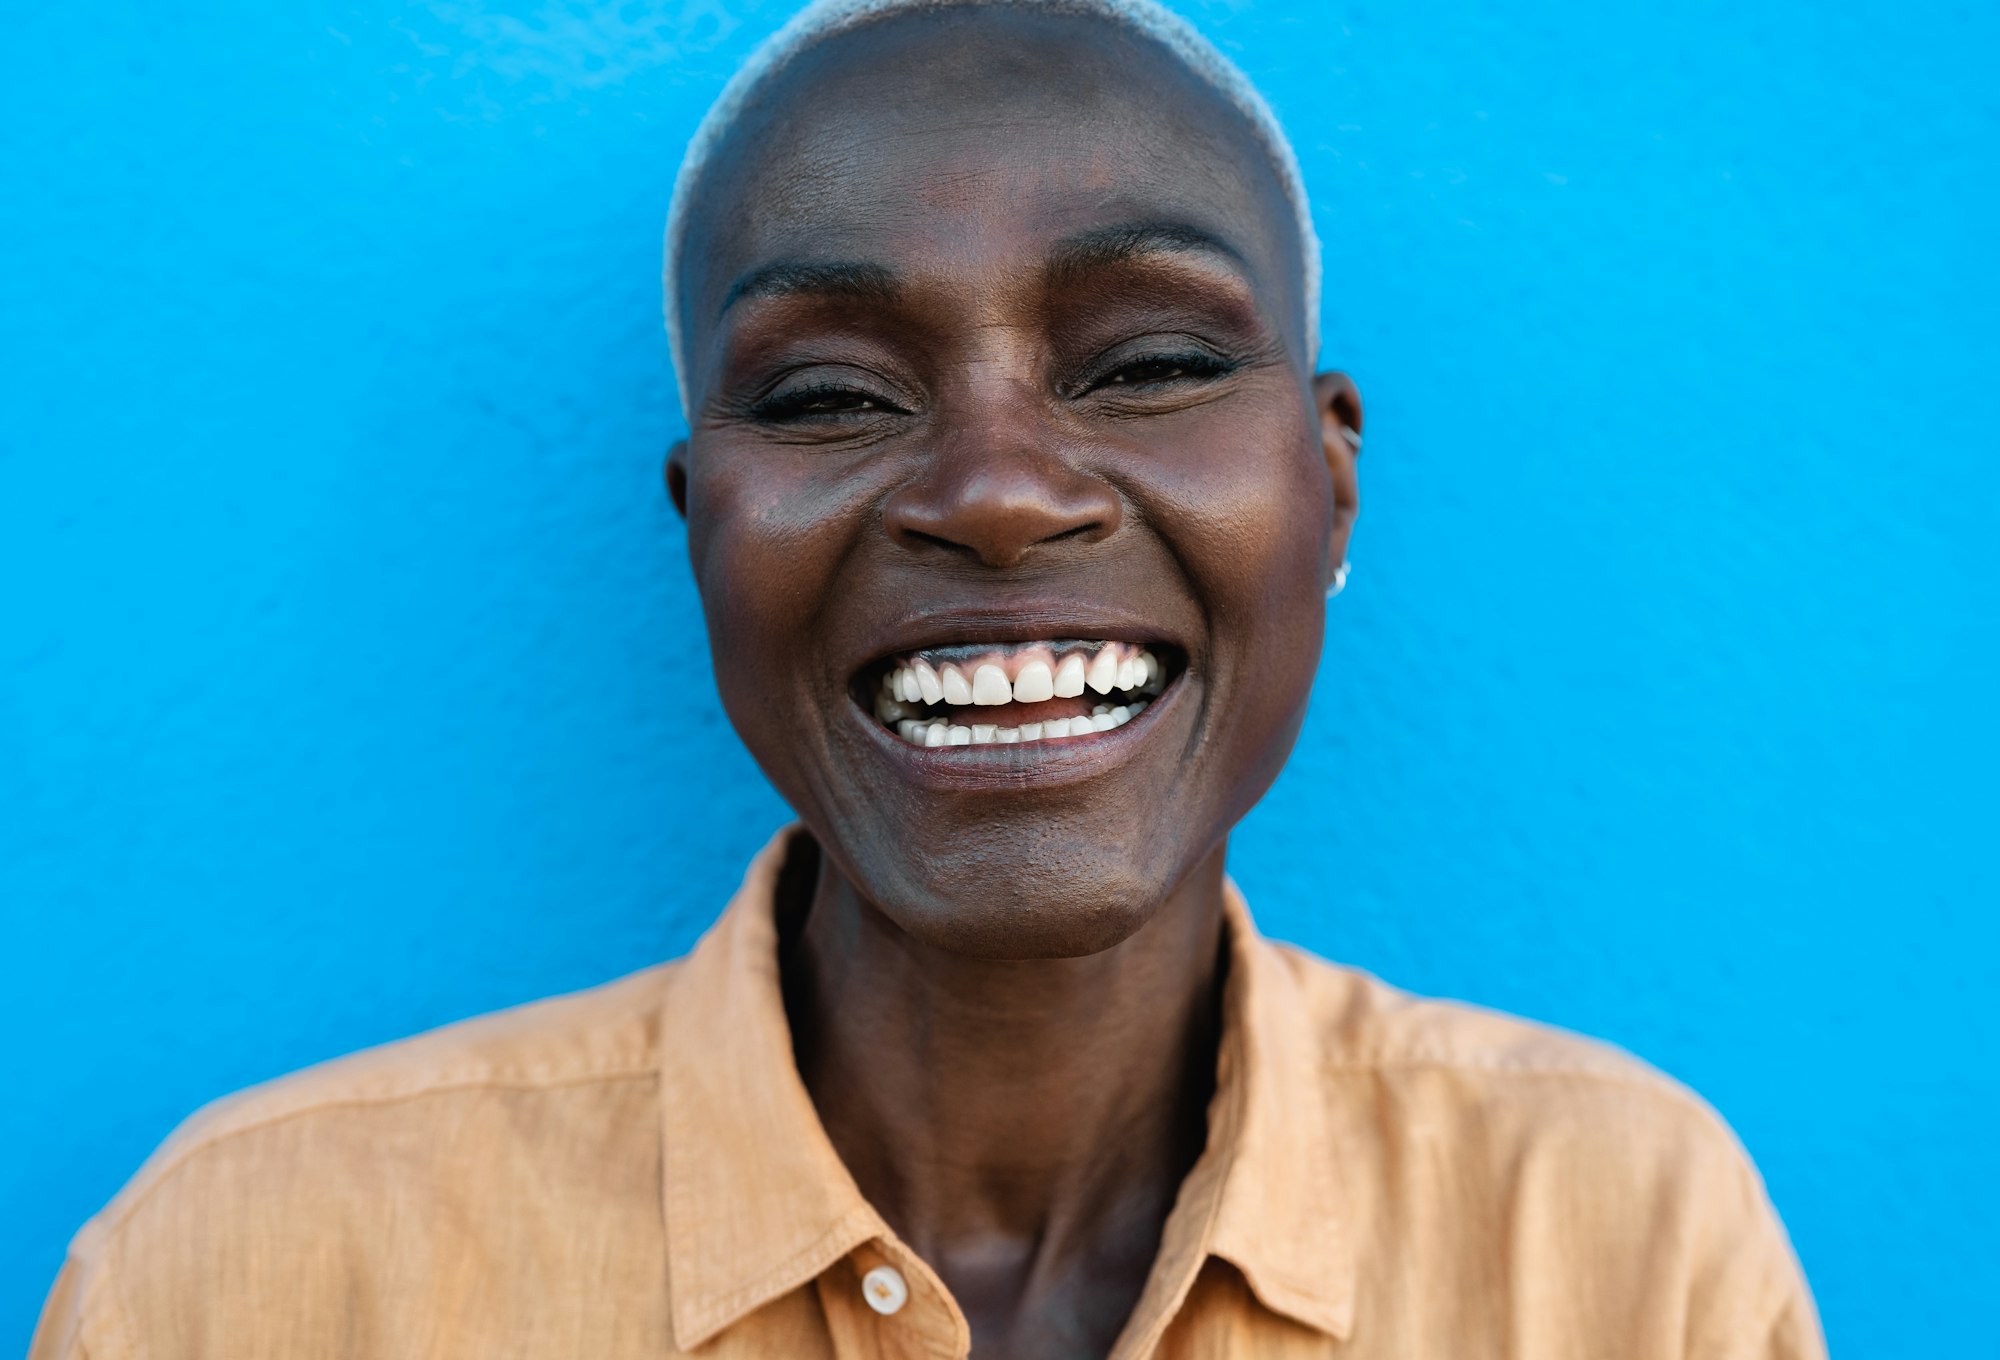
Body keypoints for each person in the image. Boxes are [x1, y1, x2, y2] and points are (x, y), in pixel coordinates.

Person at [31, 1, 1825, 1357]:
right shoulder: (253, 1274)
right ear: (703, 535)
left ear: (1330, 483)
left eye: (1150, 363)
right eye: (823, 395)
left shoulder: (1618, 1243)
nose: (994, 490)